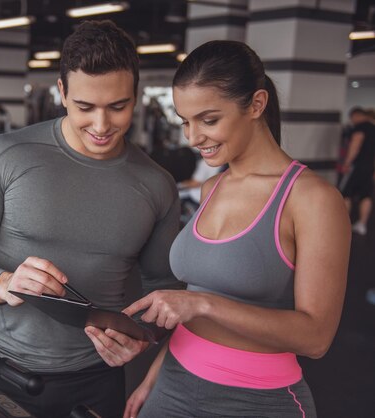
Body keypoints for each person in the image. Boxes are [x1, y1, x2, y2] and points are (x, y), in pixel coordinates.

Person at [0, 20, 181, 418]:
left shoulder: (157, 185)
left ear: (135, 97)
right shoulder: (4, 156)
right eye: (85, 107)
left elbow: (164, 289)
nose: (102, 126)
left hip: (97, 380)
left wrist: (145, 337)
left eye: (118, 107)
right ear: (62, 92)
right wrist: (1, 282)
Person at [114, 40, 350, 418]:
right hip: (173, 381)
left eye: (208, 120)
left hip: (257, 400)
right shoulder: (213, 187)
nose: (193, 137)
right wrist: (152, 380)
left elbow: (316, 337)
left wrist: (204, 305)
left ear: (256, 104)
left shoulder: (311, 199)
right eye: (185, 121)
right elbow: (194, 294)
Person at [339, 107, 375, 235]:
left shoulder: (360, 128)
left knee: (345, 193)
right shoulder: (373, 127)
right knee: (366, 195)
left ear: (356, 115)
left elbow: (355, 145)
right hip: (369, 167)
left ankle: (343, 223)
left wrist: (347, 163)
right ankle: (362, 224)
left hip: (356, 167)